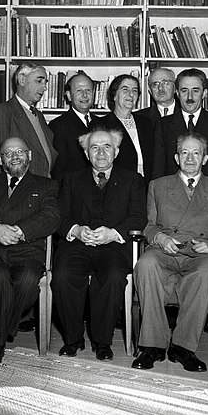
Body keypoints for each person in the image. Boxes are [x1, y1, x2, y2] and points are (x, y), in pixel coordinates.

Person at [132, 132, 208, 372]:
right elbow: (148, 225)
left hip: (202, 253)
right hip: (166, 249)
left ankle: (183, 347)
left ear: (205, 158)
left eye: (196, 153)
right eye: (185, 153)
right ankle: (152, 346)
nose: (190, 158)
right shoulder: (158, 185)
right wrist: (159, 237)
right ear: (177, 158)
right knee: (146, 264)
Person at [51, 125, 147, 361]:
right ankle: (73, 339)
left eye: (107, 147)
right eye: (94, 147)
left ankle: (102, 341)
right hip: (77, 244)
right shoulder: (71, 180)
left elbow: (138, 217)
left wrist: (113, 233)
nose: (101, 153)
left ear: (116, 151)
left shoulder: (133, 180)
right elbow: (58, 216)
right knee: (63, 275)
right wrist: (76, 229)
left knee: (114, 275)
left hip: (113, 245)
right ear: (86, 154)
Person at [0, 137, 60, 363]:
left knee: (27, 278)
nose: (15, 156)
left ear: (29, 156)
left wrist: (20, 230)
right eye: (9, 153)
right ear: (0, 160)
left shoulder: (46, 185)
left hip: (26, 248)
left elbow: (52, 216)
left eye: (20, 152)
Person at [157, 68, 208, 186]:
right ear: (177, 93)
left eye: (196, 91)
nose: (189, 97)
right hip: (172, 196)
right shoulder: (163, 125)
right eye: (184, 91)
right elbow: (158, 169)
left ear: (205, 93)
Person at [0, 61, 57, 178]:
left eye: (45, 82)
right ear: (22, 80)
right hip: (18, 192)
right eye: (39, 81)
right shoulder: (2, 111)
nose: (44, 87)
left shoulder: (39, 115)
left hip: (42, 186)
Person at [96, 74, 160, 184]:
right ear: (114, 95)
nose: (131, 94)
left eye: (135, 91)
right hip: (117, 186)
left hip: (145, 185)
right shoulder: (102, 125)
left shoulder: (146, 122)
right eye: (125, 89)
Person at [50, 72, 97, 182]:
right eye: (79, 91)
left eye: (88, 90)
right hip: (74, 192)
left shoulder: (101, 123)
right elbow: (58, 171)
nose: (85, 95)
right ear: (69, 95)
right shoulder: (58, 125)